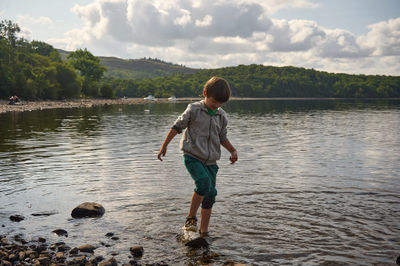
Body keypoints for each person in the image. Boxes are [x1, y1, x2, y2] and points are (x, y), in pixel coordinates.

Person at [157, 76, 238, 238]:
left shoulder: (221, 116)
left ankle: (204, 232)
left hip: (211, 161)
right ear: (205, 93)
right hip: (192, 156)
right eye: (214, 102)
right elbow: (176, 127)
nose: (217, 106)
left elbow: (222, 137)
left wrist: (233, 151)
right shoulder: (193, 110)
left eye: (221, 104)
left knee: (211, 194)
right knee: (203, 183)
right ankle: (191, 218)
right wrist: (164, 145)